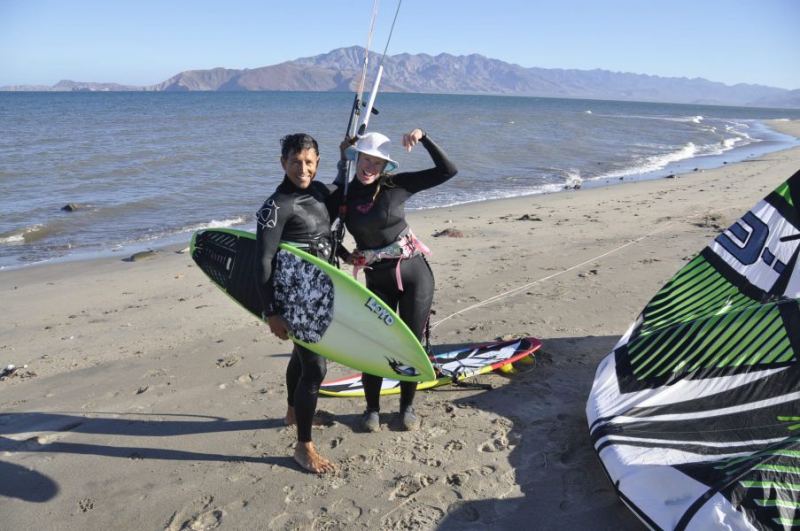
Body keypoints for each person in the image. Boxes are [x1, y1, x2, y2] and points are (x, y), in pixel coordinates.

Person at [336, 128, 457, 432]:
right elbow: (321, 228)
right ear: (357, 157)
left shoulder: (396, 185)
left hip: (415, 276)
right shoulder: (345, 195)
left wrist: (425, 136)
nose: (370, 167)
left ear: (385, 167)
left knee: (409, 345)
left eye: (377, 163)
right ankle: (372, 410)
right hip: (377, 280)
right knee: (374, 343)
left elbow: (448, 170)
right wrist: (344, 253)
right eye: (366, 159)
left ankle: (407, 408)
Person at [256, 133, 337, 474]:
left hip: (322, 293)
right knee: (315, 368)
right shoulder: (276, 207)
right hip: (295, 299)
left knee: (300, 357)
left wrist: (350, 154)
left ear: (318, 162)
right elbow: (262, 261)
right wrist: (271, 313)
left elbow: (345, 190)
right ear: (282, 163)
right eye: (295, 162)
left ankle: (293, 411)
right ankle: (304, 447)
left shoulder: (319, 192)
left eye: (308, 161)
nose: (302, 168)